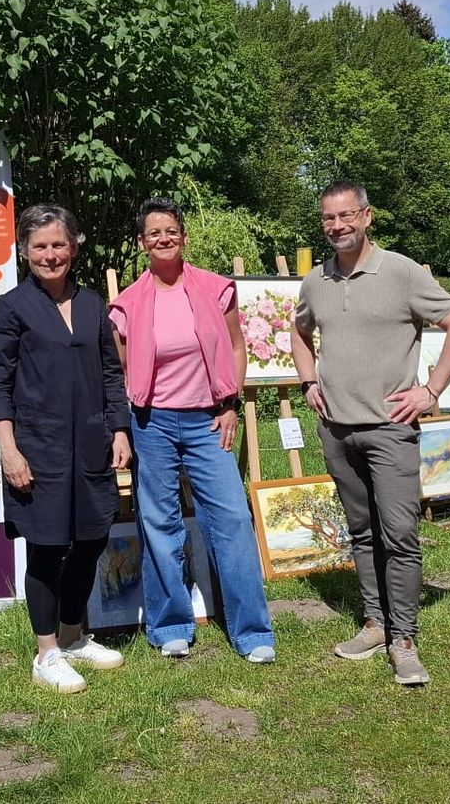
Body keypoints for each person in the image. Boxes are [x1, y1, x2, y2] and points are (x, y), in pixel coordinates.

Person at [292, 180, 450, 686]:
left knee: (400, 534)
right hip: (337, 430)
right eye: (329, 218)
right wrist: (308, 382)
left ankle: (404, 638)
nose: (337, 226)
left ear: (367, 216)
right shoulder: (316, 281)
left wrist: (430, 391)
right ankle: (375, 623)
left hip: (390, 430)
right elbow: (299, 333)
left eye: (346, 215)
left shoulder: (401, 272)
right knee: (362, 531)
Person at [109, 198, 276, 663]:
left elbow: (237, 347)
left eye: (171, 230)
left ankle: (252, 630)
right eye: (153, 233)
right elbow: (120, 370)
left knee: (233, 519)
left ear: (183, 236)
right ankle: (170, 626)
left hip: (209, 420)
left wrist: (230, 404)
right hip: (152, 424)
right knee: (159, 524)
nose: (163, 238)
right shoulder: (126, 305)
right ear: (142, 243)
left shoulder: (215, 290)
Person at [0, 203, 133, 693]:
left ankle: (73, 636)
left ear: (74, 246)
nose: (50, 255)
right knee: (47, 548)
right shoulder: (11, 307)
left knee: (90, 541)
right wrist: (9, 449)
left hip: (90, 444)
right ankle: (46, 652)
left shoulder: (92, 305)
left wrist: (119, 430)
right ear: (25, 251)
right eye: (40, 246)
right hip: (37, 448)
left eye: (59, 244)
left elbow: (111, 373)